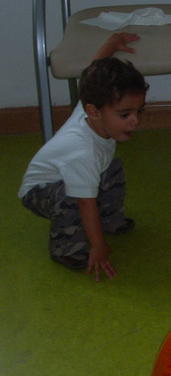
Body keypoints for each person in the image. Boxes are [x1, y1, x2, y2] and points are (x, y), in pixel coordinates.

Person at [18, 33, 148, 282]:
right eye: (125, 114)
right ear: (94, 111)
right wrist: (97, 246)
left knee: (113, 168)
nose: (135, 120)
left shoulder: (93, 105)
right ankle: (65, 249)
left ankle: (110, 219)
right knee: (71, 198)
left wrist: (112, 43)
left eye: (138, 111)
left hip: (75, 174)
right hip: (40, 191)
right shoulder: (83, 152)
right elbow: (85, 203)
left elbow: (95, 65)